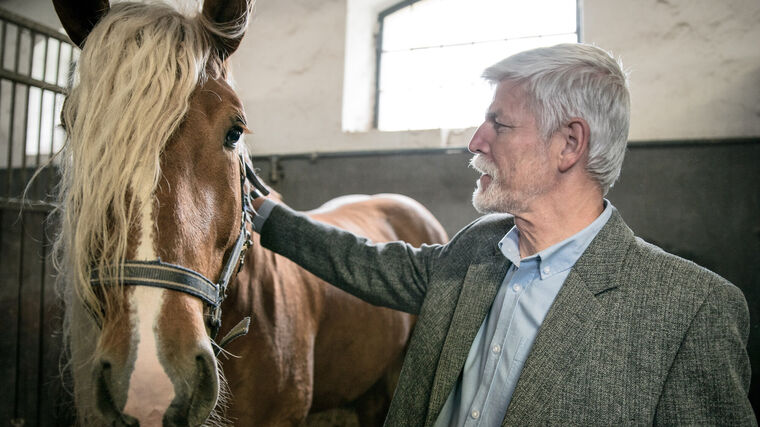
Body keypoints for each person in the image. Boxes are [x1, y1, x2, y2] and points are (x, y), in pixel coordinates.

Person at [250, 43, 755, 425]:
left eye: (500, 124)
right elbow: (369, 263)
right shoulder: (476, 247)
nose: (476, 140)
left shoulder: (693, 310)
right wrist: (265, 214)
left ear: (569, 144)